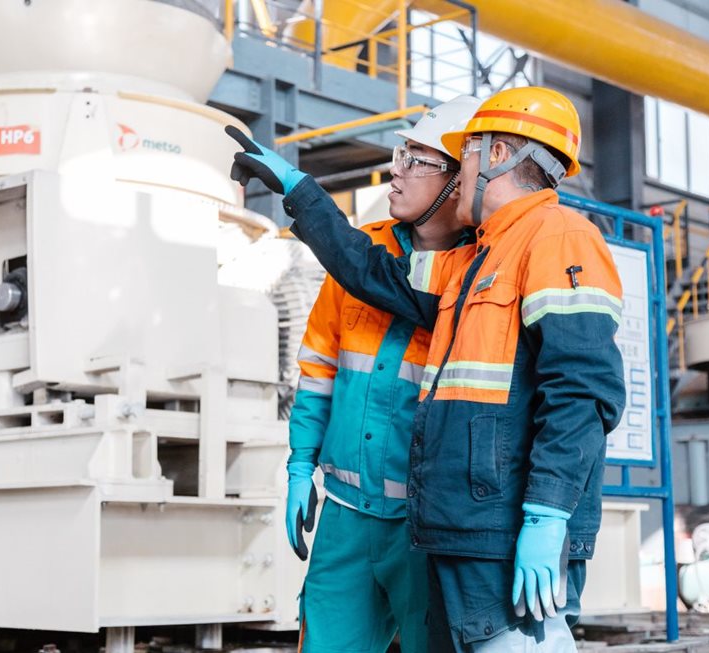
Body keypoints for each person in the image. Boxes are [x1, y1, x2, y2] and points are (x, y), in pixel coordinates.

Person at [227, 87, 626, 652]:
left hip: (488, 524)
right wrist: (300, 192)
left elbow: (583, 390)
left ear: (494, 155)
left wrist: (547, 513)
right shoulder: (479, 261)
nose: (458, 177)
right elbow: (374, 275)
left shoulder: (556, 236)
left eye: (453, 160)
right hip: (456, 525)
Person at [280, 96, 479, 653]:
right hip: (345, 517)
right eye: (401, 153)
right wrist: (300, 466)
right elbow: (319, 369)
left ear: (458, 181)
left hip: (425, 528)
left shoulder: (480, 274)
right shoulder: (361, 250)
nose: (396, 169)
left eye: (416, 159)